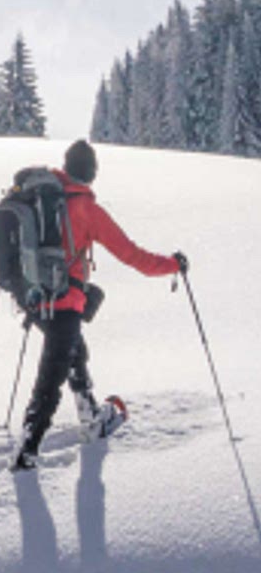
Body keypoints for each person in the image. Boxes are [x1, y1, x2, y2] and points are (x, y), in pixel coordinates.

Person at [11, 139, 186, 472]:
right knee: (50, 379)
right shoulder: (87, 209)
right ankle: (26, 454)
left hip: (34, 299)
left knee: (74, 351)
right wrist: (173, 265)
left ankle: (90, 412)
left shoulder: (42, 195)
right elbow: (135, 257)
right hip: (64, 302)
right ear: (92, 174)